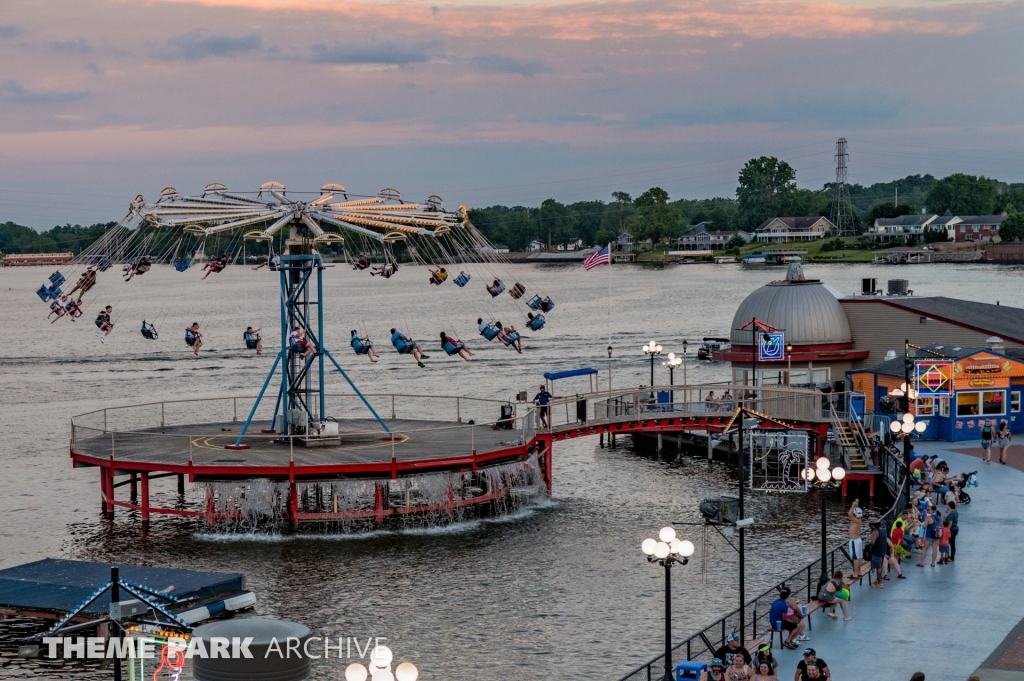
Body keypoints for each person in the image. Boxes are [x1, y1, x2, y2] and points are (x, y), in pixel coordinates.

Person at [917, 502, 941, 567]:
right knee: (935, 549)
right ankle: (933, 563)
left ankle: (922, 563)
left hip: (929, 535)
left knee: (925, 548)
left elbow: (924, 526)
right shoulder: (939, 517)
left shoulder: (929, 518)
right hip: (936, 535)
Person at [869, 520, 889, 588]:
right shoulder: (883, 530)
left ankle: (879, 583)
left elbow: (872, 542)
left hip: (877, 551)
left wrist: (867, 544)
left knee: (878, 567)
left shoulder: (875, 532)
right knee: (880, 565)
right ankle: (878, 580)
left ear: (873, 525)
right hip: (882, 551)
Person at [848, 499, 864, 578]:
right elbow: (853, 513)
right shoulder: (859, 519)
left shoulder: (855, 520)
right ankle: (859, 571)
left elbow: (849, 514)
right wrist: (856, 504)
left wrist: (853, 505)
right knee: (859, 556)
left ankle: (855, 573)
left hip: (854, 540)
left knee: (855, 558)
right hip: (858, 540)